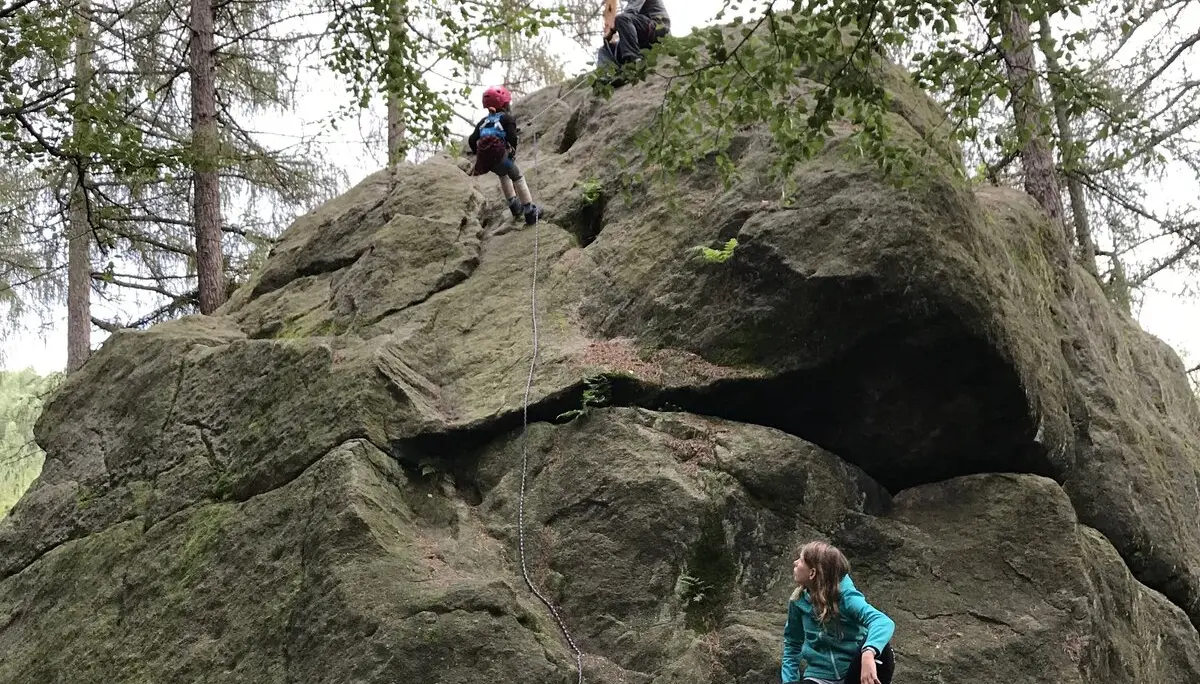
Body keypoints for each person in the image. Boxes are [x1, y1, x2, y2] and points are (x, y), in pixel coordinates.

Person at [781, 541, 897, 684]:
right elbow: (792, 644)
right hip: (819, 677)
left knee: (883, 649)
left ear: (812, 573)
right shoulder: (798, 601)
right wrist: (789, 681)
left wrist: (868, 652)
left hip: (853, 673)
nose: (795, 563)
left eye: (801, 560)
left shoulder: (847, 597)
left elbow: (883, 622)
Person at [466, 85, 542, 226]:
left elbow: (472, 140)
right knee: (517, 177)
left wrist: (479, 155)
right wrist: (512, 149)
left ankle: (514, 205)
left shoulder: (483, 122)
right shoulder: (507, 118)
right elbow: (512, 136)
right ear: (504, 104)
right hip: (502, 158)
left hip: (488, 162)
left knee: (503, 176)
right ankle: (529, 211)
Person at [596, 0, 671, 72]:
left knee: (622, 18)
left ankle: (635, 61)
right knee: (605, 50)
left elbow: (630, 11)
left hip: (658, 28)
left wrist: (612, 30)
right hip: (641, 36)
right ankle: (606, 76)